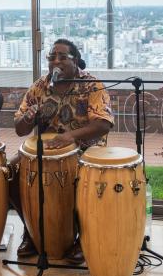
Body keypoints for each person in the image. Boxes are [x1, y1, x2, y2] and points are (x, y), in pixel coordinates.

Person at [11, 38, 114, 261]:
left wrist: (69, 137)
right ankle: (30, 231)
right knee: (9, 174)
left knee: (84, 180)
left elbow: (103, 123)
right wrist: (28, 119)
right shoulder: (40, 86)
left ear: (75, 60)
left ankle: (81, 239)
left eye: (62, 57)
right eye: (51, 57)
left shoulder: (91, 85)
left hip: (84, 149)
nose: (55, 61)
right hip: (44, 151)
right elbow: (19, 128)